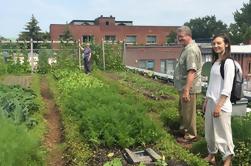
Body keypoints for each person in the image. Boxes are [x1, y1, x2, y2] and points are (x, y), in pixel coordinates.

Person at [203, 34, 235, 166]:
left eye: (219, 43)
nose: (215, 46)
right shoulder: (216, 62)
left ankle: (227, 159)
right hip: (211, 101)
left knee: (223, 134)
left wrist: (218, 105)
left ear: (226, 44)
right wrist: (206, 100)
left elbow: (227, 87)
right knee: (209, 132)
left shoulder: (228, 63)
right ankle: (211, 155)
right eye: (214, 44)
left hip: (221, 104)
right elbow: (212, 84)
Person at [174, 26, 202, 143]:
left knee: (189, 113)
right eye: (178, 37)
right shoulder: (187, 48)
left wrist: (186, 90)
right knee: (184, 111)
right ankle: (183, 130)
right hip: (184, 87)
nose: (179, 39)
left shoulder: (191, 50)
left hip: (189, 88)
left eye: (181, 37)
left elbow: (191, 71)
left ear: (188, 36)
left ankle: (190, 135)